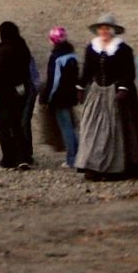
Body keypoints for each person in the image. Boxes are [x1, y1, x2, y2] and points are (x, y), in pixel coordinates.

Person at [75, 12, 138, 181]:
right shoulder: (92, 48)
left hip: (116, 93)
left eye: (107, 28)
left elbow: (129, 73)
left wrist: (122, 88)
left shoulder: (123, 49)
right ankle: (93, 166)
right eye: (101, 28)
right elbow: (87, 71)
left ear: (113, 30)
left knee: (115, 131)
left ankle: (116, 168)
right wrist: (80, 86)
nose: (104, 31)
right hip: (98, 93)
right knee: (92, 130)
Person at [0, 21, 35, 170]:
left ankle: (8, 160)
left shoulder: (4, 50)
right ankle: (22, 158)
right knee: (18, 127)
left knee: (4, 128)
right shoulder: (23, 48)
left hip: (4, 94)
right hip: (20, 92)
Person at [39, 25, 80, 169]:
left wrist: (47, 97)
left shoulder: (56, 57)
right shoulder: (72, 55)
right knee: (71, 126)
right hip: (70, 96)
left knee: (66, 127)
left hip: (59, 98)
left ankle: (72, 158)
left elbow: (54, 81)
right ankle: (78, 154)